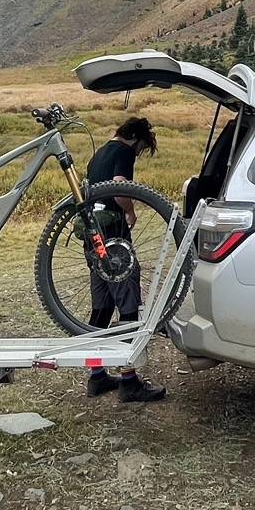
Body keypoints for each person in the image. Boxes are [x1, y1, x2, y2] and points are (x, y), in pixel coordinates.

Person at [83, 115, 165, 403]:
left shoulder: (100, 153)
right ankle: (129, 381)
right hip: (114, 239)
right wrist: (129, 210)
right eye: (142, 148)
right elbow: (119, 185)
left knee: (101, 309)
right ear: (134, 138)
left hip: (93, 237)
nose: (139, 153)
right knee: (129, 307)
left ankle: (96, 376)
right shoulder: (123, 152)